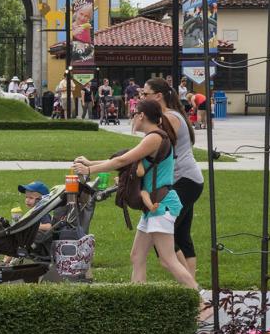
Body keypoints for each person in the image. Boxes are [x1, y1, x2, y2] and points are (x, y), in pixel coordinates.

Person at [72, 99, 202, 294]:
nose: (132, 118)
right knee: (137, 256)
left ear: (141, 116)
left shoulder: (155, 138)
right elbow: (124, 161)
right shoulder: (153, 137)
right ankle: (137, 302)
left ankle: (200, 300)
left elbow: (123, 160)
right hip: (152, 207)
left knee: (168, 260)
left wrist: (89, 169)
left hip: (161, 205)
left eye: (134, 114)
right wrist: (91, 163)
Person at [140, 77, 203, 284]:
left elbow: (157, 148)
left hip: (182, 180)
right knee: (182, 235)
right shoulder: (170, 116)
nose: (141, 97)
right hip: (189, 180)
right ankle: (190, 290)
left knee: (164, 239)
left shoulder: (170, 118)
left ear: (158, 96)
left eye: (145, 94)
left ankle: (191, 290)